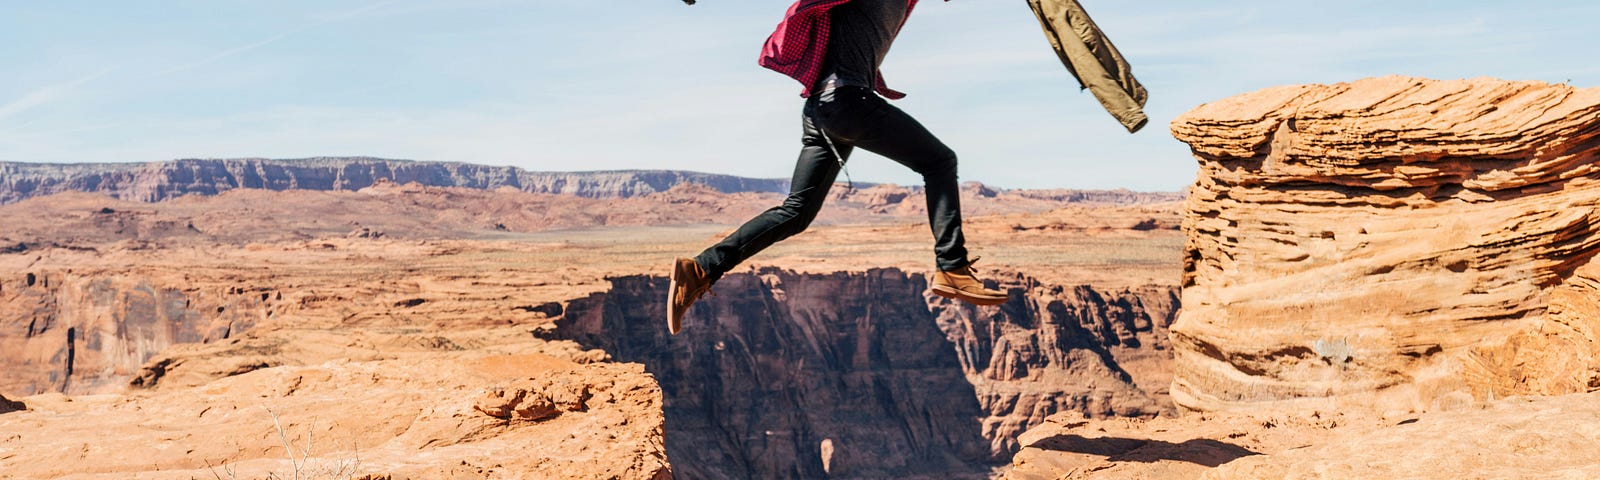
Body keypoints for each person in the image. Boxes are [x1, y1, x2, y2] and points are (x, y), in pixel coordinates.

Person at [668, 0, 1008, 334]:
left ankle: (700, 269)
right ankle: (952, 266)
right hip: (847, 102)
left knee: (796, 212)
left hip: (822, 108)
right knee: (939, 162)